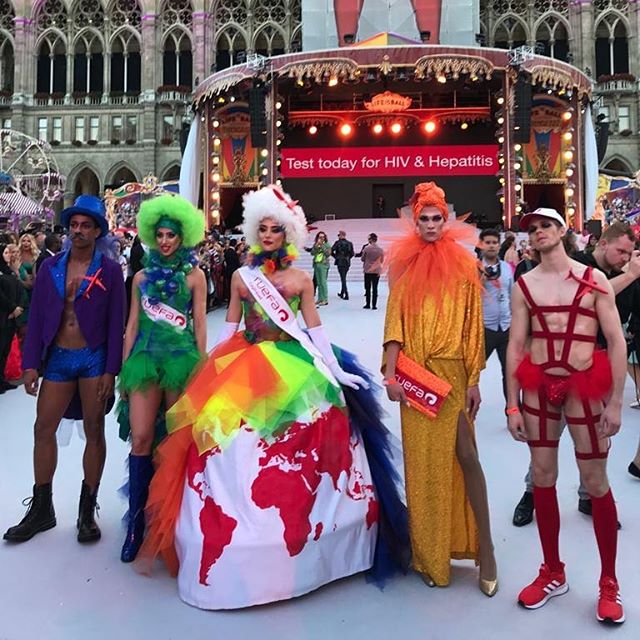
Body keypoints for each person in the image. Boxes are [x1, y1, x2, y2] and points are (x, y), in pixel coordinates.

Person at [135, 185, 408, 610]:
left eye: (274, 229)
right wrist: (209, 370)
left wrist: (335, 370)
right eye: (261, 229)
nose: (266, 235)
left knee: (306, 433)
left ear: (287, 235)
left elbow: (314, 329)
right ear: (253, 231)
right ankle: (236, 536)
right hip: (244, 362)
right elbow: (229, 329)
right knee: (229, 441)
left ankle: (305, 538)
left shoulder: (300, 279)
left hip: (292, 365)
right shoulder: (242, 279)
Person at [506, 208, 626, 624]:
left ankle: (609, 581)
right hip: (538, 388)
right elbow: (516, 346)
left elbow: (615, 341)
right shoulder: (524, 285)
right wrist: (511, 404)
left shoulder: (594, 280)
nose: (538, 232)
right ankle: (553, 571)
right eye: (532, 228)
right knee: (542, 476)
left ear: (561, 231)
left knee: (595, 481)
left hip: (584, 388)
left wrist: (615, 402)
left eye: (545, 225)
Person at [382, 181, 498, 595]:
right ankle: (430, 556)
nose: (431, 225)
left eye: (436, 218)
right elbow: (394, 323)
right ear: (415, 223)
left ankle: (486, 549)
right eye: (424, 219)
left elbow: (472, 325)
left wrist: (475, 379)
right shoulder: (403, 266)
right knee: (423, 466)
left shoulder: (466, 265)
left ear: (446, 220)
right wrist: (391, 374)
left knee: (467, 455)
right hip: (414, 378)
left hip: (453, 376)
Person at [3, 195, 126, 544]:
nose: (78, 231)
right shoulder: (50, 267)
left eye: (86, 225)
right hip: (58, 357)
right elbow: (37, 316)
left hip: (93, 358)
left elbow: (116, 322)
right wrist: (30, 364)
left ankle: (87, 511)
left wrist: (111, 370)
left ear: (98, 230)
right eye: (74, 225)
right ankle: (43, 508)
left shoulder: (110, 270)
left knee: (94, 429)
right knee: (43, 427)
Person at [512, 221, 640, 526]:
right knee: (544, 447)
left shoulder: (620, 275)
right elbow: (586, 295)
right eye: (621, 251)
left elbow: (623, 321)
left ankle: (588, 496)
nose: (625, 258)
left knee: (594, 445)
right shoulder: (578, 264)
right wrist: (630, 275)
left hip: (595, 369)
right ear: (603, 243)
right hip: (552, 369)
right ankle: (531, 494)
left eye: (629, 253)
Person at [117, 195, 207, 563]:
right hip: (144, 359)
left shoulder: (195, 276)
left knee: (175, 439)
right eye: (160, 235)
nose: (166, 241)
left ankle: (172, 523)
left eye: (172, 234)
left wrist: (200, 368)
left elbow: (199, 324)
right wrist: (124, 371)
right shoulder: (140, 277)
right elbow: (131, 325)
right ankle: (137, 525)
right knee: (140, 437)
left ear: (183, 236)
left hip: (180, 359)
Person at [479, 228, 513, 402]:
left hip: (506, 327)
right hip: (485, 328)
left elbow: (512, 293)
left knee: (510, 372)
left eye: (494, 243)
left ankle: (513, 408)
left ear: (499, 245)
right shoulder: (474, 267)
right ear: (481, 245)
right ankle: (464, 407)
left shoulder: (506, 268)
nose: (491, 246)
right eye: (488, 243)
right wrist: (480, 282)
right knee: (472, 371)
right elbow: (468, 297)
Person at [0, 243, 25, 394]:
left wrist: (19, 308)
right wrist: (12, 308)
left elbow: (20, 289)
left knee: (5, 350)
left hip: (12, 317)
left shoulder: (10, 271)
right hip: (4, 315)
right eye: (6, 252)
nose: (9, 255)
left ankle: (2, 380)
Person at [360, 233, 384, 309]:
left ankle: (368, 304)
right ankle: (374, 305)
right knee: (375, 288)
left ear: (370, 240)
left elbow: (362, 259)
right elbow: (382, 260)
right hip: (376, 270)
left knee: (368, 288)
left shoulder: (366, 248)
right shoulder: (380, 249)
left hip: (368, 270)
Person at [309, 231, 331, 306]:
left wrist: (322, 246)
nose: (321, 238)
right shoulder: (316, 244)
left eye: (323, 237)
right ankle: (320, 299)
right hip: (316, 264)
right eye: (320, 237)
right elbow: (312, 253)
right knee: (318, 282)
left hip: (323, 264)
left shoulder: (327, 245)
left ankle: (325, 299)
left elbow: (328, 254)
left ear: (325, 237)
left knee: (323, 282)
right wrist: (316, 246)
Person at [331, 230, 354, 300]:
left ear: (341, 235)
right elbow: (352, 253)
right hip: (347, 262)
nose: (338, 236)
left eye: (339, 235)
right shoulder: (349, 243)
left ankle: (346, 294)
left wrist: (336, 257)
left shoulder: (337, 243)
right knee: (343, 277)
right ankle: (342, 292)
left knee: (343, 278)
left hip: (340, 262)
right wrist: (348, 258)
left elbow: (331, 250)